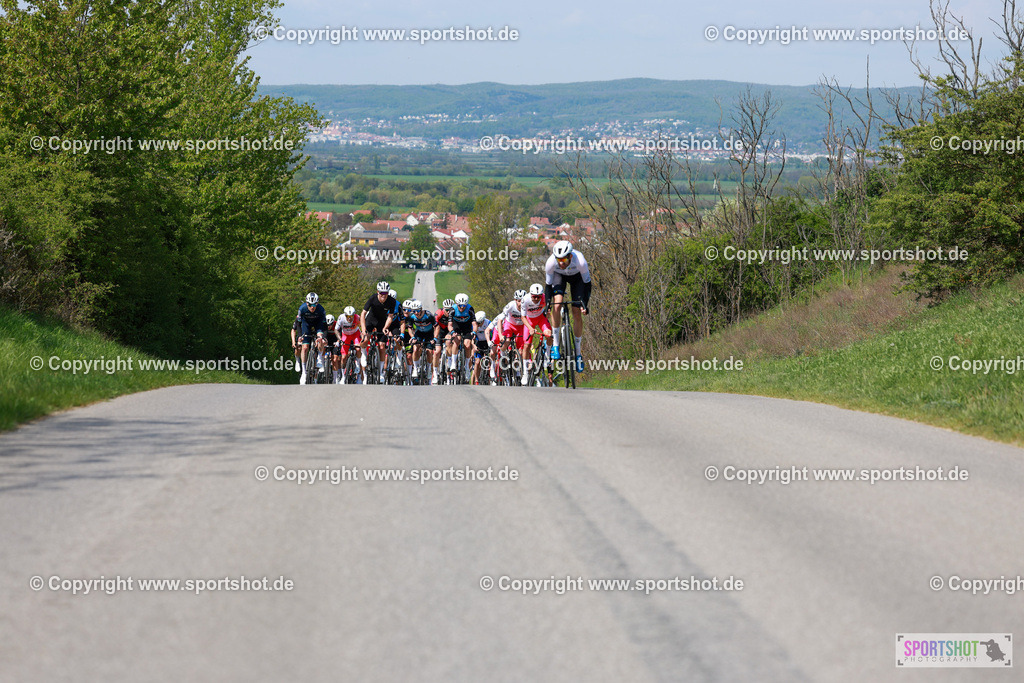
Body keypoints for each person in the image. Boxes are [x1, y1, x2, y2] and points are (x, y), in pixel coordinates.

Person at [545, 240, 591, 372]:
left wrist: (584, 304)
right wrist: (548, 305)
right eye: (558, 259)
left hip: (577, 279)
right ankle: (555, 345)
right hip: (559, 277)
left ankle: (578, 354)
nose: (561, 263)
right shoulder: (550, 263)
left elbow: (587, 284)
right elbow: (548, 286)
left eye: (564, 259)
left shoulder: (580, 261)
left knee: (576, 312)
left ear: (570, 256)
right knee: (557, 304)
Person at [360, 281, 397, 383]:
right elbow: (363, 314)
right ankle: (363, 353)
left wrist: (386, 327)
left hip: (382, 322)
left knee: (382, 346)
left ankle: (380, 372)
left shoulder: (392, 301)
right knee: (365, 338)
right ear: (378, 292)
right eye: (381, 293)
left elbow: (390, 316)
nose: (383, 295)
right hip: (371, 319)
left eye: (386, 293)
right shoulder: (373, 298)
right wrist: (363, 329)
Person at [519, 283, 553, 384]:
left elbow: (549, 310)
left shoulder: (545, 297)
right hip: (529, 320)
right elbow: (522, 317)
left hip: (541, 318)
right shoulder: (525, 300)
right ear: (530, 295)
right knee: (527, 345)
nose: (537, 299)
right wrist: (530, 328)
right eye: (534, 297)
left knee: (549, 335)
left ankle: (547, 356)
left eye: (539, 297)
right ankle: (525, 373)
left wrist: (549, 314)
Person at [296, 292, 328, 385]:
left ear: (317, 303)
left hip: (318, 324)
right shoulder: (302, 309)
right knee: (305, 347)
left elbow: (324, 325)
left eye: (314, 305)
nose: (312, 307)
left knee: (320, 338)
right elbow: (298, 323)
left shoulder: (321, 309)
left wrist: (324, 337)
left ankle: (320, 358)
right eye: (310, 305)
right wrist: (299, 336)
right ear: (307, 303)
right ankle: (304, 372)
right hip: (306, 324)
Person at [405, 300, 437, 383]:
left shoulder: (428, 315)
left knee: (429, 351)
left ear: (421, 309)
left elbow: (437, 327)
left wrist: (435, 338)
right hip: (419, 333)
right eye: (414, 311)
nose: (416, 313)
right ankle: (415, 368)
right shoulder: (411, 316)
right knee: (415, 348)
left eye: (418, 311)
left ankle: (429, 369)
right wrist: (412, 337)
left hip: (429, 333)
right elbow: (409, 328)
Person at [447, 293, 476, 376]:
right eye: (460, 305)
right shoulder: (453, 309)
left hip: (467, 327)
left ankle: (467, 365)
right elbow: (449, 325)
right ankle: (453, 363)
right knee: (457, 340)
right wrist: (452, 332)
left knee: (467, 345)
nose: (462, 307)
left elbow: (474, 324)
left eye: (464, 305)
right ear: (457, 304)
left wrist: (474, 332)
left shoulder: (470, 309)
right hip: (457, 326)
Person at [336, 306, 363, 384]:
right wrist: (340, 339)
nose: (350, 318)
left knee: (358, 348)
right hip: (345, 335)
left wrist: (363, 336)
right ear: (345, 315)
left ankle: (357, 364)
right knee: (343, 357)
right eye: (348, 316)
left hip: (355, 334)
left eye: (351, 316)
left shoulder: (357, 318)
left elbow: (362, 327)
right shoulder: (341, 318)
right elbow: (336, 330)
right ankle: (343, 377)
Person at [471, 310, 491, 385]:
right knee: (477, 362)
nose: (477, 325)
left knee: (489, 361)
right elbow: (471, 338)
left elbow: (493, 334)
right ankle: (476, 380)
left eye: (479, 323)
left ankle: (489, 378)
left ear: (483, 321)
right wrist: (474, 346)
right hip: (478, 343)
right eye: (477, 323)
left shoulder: (488, 323)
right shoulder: (474, 324)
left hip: (487, 342)